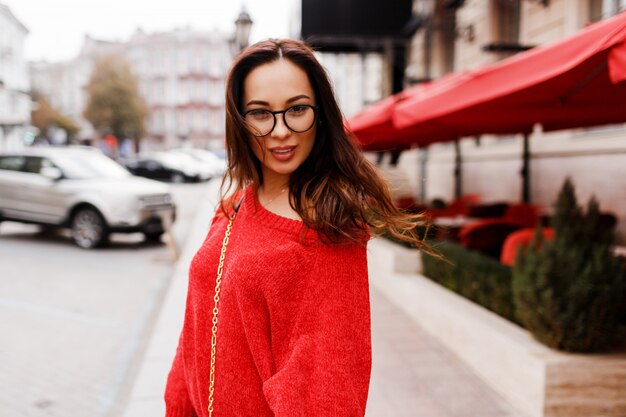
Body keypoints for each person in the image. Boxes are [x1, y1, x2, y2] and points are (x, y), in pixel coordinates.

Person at [164, 38, 430, 417]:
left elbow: (325, 397)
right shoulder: (233, 205)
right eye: (260, 113)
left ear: (320, 113)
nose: (281, 131)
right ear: (240, 120)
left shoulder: (327, 234)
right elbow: (193, 334)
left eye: (297, 109)